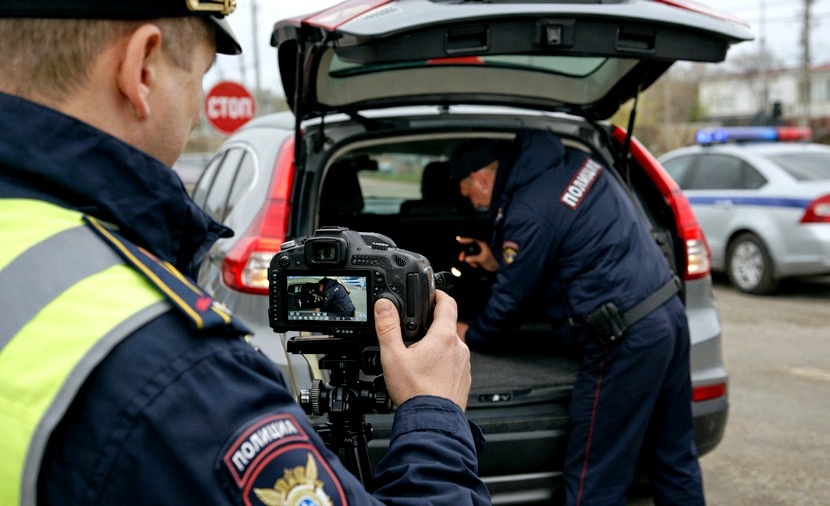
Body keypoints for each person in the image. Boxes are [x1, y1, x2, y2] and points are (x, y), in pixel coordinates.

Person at [0, 2, 491, 505]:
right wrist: (434, 409)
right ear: (141, 68)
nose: (196, 109)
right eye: (201, 75)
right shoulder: (177, 375)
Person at [450, 130, 703, 505]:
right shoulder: (576, 163)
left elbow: (512, 300)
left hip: (624, 340)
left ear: (482, 179)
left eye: (467, 193)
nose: (471, 203)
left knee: (594, 476)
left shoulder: (528, 210)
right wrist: (495, 260)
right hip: (668, 313)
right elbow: (562, 245)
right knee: (675, 455)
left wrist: (471, 333)